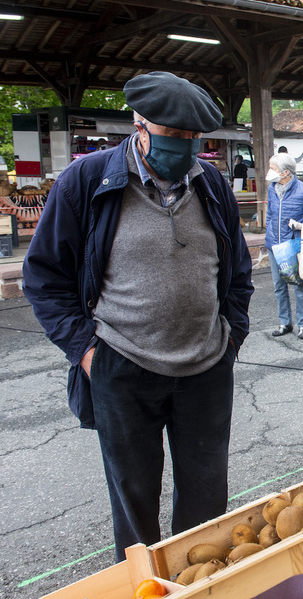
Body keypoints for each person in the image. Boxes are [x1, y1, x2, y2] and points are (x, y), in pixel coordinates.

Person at [22, 71, 254, 561]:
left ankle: (201, 586)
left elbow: (238, 272)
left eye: (195, 139)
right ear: (139, 124)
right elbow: (44, 277)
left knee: (207, 501)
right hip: (122, 369)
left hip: (206, 370)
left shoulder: (211, 184)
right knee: (133, 502)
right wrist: (88, 355)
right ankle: (144, 587)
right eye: (174, 137)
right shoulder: (86, 182)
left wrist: (231, 337)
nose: (187, 149)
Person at [265, 152, 303, 340]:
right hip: (274, 246)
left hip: (293, 245)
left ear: (285, 172)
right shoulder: (272, 188)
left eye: (273, 168)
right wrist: (269, 233)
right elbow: (269, 214)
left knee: (299, 285)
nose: (270, 172)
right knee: (279, 286)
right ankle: (285, 323)